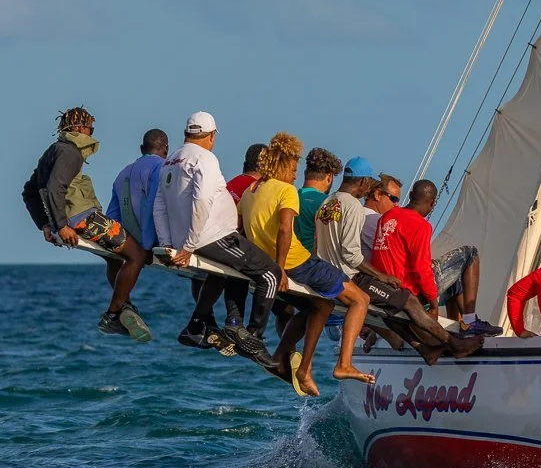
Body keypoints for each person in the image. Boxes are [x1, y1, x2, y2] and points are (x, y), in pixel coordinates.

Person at [239, 132, 375, 395]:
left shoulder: (250, 192)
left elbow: (242, 230)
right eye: (292, 168)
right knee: (360, 300)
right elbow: (285, 230)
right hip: (297, 262)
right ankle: (344, 364)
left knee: (321, 303)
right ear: (283, 164)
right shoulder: (285, 190)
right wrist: (280, 268)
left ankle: (290, 363)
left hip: (268, 263)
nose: (294, 174)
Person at [314, 159, 482, 364]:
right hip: (349, 278)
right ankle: (456, 341)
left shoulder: (329, 202)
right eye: (393, 198)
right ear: (365, 183)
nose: (395, 204)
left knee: (394, 304)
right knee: (407, 301)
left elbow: (318, 245)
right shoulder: (355, 208)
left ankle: (427, 350)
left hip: (327, 275)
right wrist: (429, 299)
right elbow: (352, 255)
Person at [152, 111, 280, 370]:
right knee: (270, 274)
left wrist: (169, 243)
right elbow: (201, 200)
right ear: (211, 136)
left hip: (190, 239)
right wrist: (188, 246)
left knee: (228, 271)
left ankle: (211, 324)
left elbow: (159, 206)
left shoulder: (172, 160)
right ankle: (252, 339)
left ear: (187, 133)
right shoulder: (206, 158)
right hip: (212, 236)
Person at [21, 106, 152, 340]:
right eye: (91, 128)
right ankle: (113, 315)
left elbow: (29, 191)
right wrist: (61, 225)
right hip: (83, 219)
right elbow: (55, 187)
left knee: (114, 257)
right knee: (137, 255)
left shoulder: (51, 151)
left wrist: (45, 224)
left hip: (68, 221)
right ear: (80, 128)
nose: (92, 133)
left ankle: (124, 307)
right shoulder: (70, 152)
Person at [370, 180, 501, 334]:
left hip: (388, 290)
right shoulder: (420, 225)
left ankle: (459, 324)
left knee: (456, 271)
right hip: (411, 295)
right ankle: (470, 321)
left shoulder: (388, 217)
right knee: (469, 254)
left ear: (411, 195)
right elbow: (421, 269)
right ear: (432, 202)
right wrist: (433, 303)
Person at [105, 128, 167, 300]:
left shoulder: (122, 173)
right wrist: (147, 245)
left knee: (112, 259)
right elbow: (152, 206)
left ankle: (124, 304)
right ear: (166, 149)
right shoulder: (163, 168)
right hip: (152, 241)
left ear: (141, 149)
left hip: (127, 239)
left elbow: (112, 217)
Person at [294, 147, 341, 252]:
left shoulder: (290, 197)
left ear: (305, 173)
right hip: (313, 263)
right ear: (329, 177)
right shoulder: (327, 202)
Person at [361, 173, 401, 253]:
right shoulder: (377, 221)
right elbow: (393, 252)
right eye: (394, 199)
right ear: (378, 195)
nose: (396, 205)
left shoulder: (356, 212)